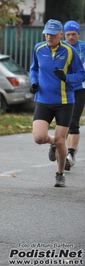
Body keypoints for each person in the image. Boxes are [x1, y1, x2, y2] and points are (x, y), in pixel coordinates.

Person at [29, 19, 85, 187]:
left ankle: (59, 173)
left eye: (52, 34)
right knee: (39, 137)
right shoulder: (38, 48)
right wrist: (33, 82)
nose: (49, 37)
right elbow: (34, 68)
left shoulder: (69, 51)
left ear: (60, 34)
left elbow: (81, 74)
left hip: (64, 102)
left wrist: (66, 77)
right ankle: (53, 141)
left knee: (62, 141)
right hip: (43, 100)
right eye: (46, 33)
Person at [63, 20, 85, 171]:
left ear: (78, 34)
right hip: (63, 89)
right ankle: (57, 146)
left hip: (80, 89)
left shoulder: (83, 47)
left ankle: (70, 154)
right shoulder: (61, 47)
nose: (71, 37)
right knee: (62, 123)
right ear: (63, 34)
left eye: (74, 34)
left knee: (73, 121)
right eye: (68, 34)